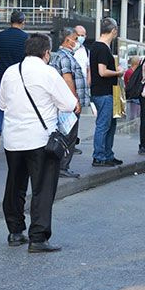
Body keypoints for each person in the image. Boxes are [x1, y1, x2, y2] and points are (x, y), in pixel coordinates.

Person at [0, 33, 78, 253]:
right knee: (42, 188)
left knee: (15, 185)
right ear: (46, 53)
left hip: (13, 139)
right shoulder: (49, 72)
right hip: (40, 140)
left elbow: (2, 104)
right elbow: (69, 103)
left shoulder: (11, 72)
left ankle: (15, 231)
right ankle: (38, 237)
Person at [50, 27, 89, 178]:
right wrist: (75, 101)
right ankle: (62, 167)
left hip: (64, 103)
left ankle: (60, 166)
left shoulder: (61, 56)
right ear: (67, 40)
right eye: (75, 38)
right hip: (68, 105)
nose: (77, 41)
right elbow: (68, 79)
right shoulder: (65, 57)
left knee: (66, 134)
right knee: (69, 136)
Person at [0, 11, 29, 152]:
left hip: (1, 76)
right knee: (17, 107)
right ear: (23, 22)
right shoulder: (26, 38)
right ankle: (15, 138)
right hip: (18, 78)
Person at [89, 17, 124, 167]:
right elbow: (102, 72)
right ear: (114, 31)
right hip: (104, 93)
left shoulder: (96, 47)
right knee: (104, 125)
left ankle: (107, 154)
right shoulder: (103, 48)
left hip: (102, 92)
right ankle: (99, 156)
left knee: (110, 124)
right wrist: (118, 72)